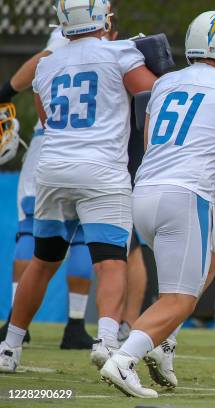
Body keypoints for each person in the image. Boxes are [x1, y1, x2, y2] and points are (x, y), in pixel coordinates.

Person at [100, 10, 215, 398]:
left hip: (143, 192)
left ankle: (162, 344)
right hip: (185, 196)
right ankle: (123, 359)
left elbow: (150, 143)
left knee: (212, 254)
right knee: (180, 298)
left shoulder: (165, 84)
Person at [0, 0, 156, 374]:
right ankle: (105, 340)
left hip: (52, 169)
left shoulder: (46, 63)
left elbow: (45, 117)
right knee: (111, 259)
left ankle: (9, 346)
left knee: (44, 259)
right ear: (102, 18)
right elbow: (154, 96)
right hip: (102, 169)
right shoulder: (120, 52)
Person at [0, 25, 110, 350]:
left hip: (51, 144)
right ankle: (76, 324)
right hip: (92, 148)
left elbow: (43, 60)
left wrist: (5, 92)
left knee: (31, 228)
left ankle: (16, 323)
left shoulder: (68, 37)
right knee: (81, 237)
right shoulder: (110, 49)